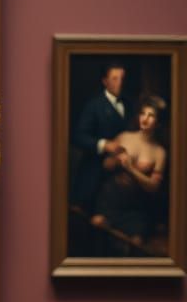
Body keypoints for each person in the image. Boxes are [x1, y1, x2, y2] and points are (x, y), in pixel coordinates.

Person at [90, 95, 168, 252]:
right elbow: (105, 166)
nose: (145, 119)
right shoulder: (124, 137)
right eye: (143, 114)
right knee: (97, 225)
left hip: (136, 208)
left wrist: (131, 168)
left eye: (151, 115)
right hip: (110, 199)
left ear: (158, 122)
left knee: (136, 244)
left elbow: (153, 187)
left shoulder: (159, 152)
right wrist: (116, 161)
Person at [70, 61, 128, 212]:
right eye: (115, 79)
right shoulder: (94, 105)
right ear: (105, 81)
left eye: (122, 78)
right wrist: (104, 145)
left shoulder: (129, 104)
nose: (120, 83)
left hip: (123, 165)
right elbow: (78, 136)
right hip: (96, 167)